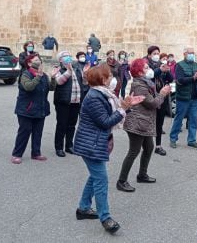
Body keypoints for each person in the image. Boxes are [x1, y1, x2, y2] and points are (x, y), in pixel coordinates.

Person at [73, 63, 144, 234]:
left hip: (96, 142)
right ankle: (105, 217)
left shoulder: (103, 94)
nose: (112, 79)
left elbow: (113, 114)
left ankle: (83, 208)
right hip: (91, 145)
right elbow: (105, 122)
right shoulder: (94, 97)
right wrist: (123, 109)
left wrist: (127, 107)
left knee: (95, 176)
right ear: (103, 79)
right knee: (101, 180)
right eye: (110, 76)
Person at [116, 59, 171, 192]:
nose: (149, 70)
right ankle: (121, 181)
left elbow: (151, 99)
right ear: (140, 72)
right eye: (146, 68)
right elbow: (152, 103)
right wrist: (162, 94)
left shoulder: (145, 83)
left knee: (149, 147)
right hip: (137, 122)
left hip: (143, 122)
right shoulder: (140, 86)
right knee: (133, 151)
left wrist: (160, 94)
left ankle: (142, 174)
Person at [11, 54, 57, 164]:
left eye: (39, 59)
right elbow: (29, 87)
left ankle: (36, 153)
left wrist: (53, 77)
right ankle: (16, 154)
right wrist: (38, 76)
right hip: (26, 109)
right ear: (30, 63)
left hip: (41, 108)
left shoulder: (44, 75)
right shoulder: (25, 74)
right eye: (36, 60)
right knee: (24, 132)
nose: (39, 61)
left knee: (38, 132)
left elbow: (51, 88)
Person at [169, 46, 197, 150]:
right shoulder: (179, 65)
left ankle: (192, 140)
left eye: (193, 53)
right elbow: (180, 80)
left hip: (195, 97)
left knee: (193, 120)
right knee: (179, 119)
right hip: (183, 97)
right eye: (190, 53)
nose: (192, 54)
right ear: (184, 54)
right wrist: (193, 78)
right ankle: (173, 139)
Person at [54, 51, 87, 157]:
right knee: (61, 125)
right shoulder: (58, 70)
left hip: (76, 102)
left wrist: (85, 75)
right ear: (60, 60)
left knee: (71, 125)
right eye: (65, 56)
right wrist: (68, 71)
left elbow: (85, 83)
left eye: (69, 55)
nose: (68, 57)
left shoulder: (77, 69)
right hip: (63, 102)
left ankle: (69, 146)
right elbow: (59, 81)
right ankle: (59, 147)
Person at [154, 53, 173, 155]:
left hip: (163, 98)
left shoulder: (165, 70)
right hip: (153, 98)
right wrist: (160, 69)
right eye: (163, 58)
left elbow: (170, 79)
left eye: (166, 59)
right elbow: (152, 75)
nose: (165, 60)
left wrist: (167, 70)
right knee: (150, 122)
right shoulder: (154, 67)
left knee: (159, 123)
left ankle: (158, 145)